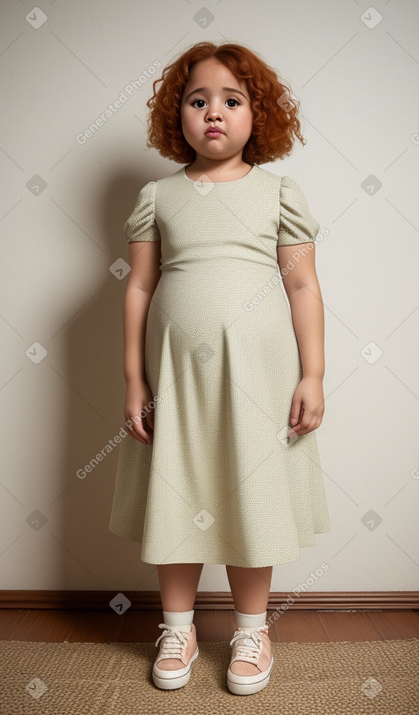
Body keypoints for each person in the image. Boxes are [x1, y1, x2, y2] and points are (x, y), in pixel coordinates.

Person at [108, 40, 331, 696]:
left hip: (257, 380)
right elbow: (139, 289)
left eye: (231, 101)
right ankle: (175, 626)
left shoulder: (277, 194)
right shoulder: (159, 196)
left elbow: (302, 288)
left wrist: (312, 374)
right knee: (175, 489)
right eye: (197, 100)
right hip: (176, 377)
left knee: (251, 495)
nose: (214, 113)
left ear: (255, 114)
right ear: (174, 116)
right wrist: (133, 380)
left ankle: (251, 629)